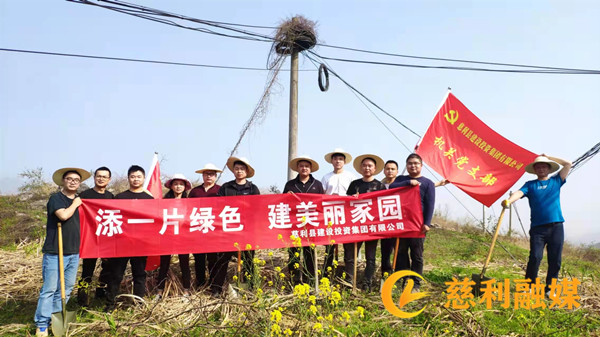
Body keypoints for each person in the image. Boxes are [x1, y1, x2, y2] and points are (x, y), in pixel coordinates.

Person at [502, 154, 572, 296]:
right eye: (538, 167)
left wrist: (549, 157)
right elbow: (519, 193)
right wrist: (509, 201)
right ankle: (529, 285)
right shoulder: (530, 185)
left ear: (548, 168)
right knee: (535, 256)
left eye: (544, 166)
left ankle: (549, 289)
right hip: (538, 229)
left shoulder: (556, 181)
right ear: (535, 170)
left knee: (555, 259)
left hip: (556, 227)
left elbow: (568, 164)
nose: (541, 169)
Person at [34, 167, 90, 337]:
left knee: (66, 289)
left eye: (76, 180)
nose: (73, 182)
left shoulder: (81, 201)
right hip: (55, 252)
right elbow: (63, 216)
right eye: (69, 179)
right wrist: (75, 204)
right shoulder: (56, 199)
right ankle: (42, 323)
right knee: (50, 289)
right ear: (63, 181)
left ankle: (56, 317)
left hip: (73, 252)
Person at [106, 165, 154, 309]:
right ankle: (110, 305)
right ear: (128, 178)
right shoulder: (120, 197)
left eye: (139, 177)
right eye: (133, 176)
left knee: (139, 274)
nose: (135, 179)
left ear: (144, 178)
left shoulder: (149, 199)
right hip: (122, 243)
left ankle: (139, 304)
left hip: (140, 243)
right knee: (116, 275)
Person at [212, 157, 260, 295]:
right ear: (233, 171)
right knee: (222, 260)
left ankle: (250, 288)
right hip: (229, 231)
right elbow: (218, 206)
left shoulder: (252, 188)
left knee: (248, 261)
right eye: (237, 169)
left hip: (247, 232)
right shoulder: (226, 187)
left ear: (247, 171)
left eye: (242, 169)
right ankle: (216, 288)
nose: (239, 171)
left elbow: (257, 208)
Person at [389, 153, 435, 292]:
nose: (413, 166)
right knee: (401, 252)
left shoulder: (428, 183)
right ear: (406, 166)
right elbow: (391, 188)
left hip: (418, 225)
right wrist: (408, 183)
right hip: (402, 223)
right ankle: (405, 278)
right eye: (410, 163)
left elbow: (430, 204)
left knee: (417, 255)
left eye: (416, 163)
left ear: (421, 166)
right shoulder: (402, 179)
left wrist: (427, 223)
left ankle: (416, 283)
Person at [343, 154, 386, 291]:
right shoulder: (354, 184)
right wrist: (352, 198)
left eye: (370, 166)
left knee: (371, 257)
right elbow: (346, 203)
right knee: (350, 255)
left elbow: (383, 205)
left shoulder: (380, 185)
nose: (367, 168)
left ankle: (367, 282)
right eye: (364, 165)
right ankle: (349, 281)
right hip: (355, 225)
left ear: (374, 168)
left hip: (372, 227)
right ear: (360, 168)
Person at [283, 155, 325, 285]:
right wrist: (287, 196)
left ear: (311, 168)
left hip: (311, 225)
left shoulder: (317, 185)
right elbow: (282, 203)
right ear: (297, 168)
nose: (304, 168)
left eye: (307, 166)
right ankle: (294, 282)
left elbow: (322, 203)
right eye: (301, 166)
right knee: (293, 255)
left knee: (310, 255)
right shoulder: (290, 184)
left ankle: (310, 281)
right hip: (294, 227)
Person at [77, 166, 114, 307]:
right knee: (87, 270)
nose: (101, 179)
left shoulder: (111, 196)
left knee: (107, 268)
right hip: (89, 239)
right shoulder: (85, 195)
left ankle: (100, 292)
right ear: (94, 177)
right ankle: (82, 299)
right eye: (99, 176)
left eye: (104, 177)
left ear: (109, 180)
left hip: (106, 238)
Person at [156, 174, 193, 297]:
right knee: (164, 263)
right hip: (167, 235)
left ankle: (186, 290)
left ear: (185, 187)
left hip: (183, 237)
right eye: (176, 184)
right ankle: (159, 291)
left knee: (184, 263)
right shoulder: (164, 202)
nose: (178, 186)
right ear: (171, 186)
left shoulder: (189, 202)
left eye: (181, 184)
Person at [321, 148, 356, 274]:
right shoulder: (326, 177)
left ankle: (348, 274)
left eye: (340, 159)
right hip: (331, 214)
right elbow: (322, 196)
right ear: (331, 161)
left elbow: (356, 195)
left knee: (348, 245)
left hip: (347, 214)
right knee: (329, 245)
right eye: (335, 159)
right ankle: (327, 272)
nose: (338, 161)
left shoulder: (351, 176)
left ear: (344, 161)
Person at [188, 163, 222, 291]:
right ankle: (200, 284)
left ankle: (214, 284)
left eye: (212, 174)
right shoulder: (195, 191)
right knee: (199, 259)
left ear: (215, 176)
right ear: (202, 175)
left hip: (214, 230)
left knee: (213, 259)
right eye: (206, 174)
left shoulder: (221, 190)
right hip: (198, 230)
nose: (209, 176)